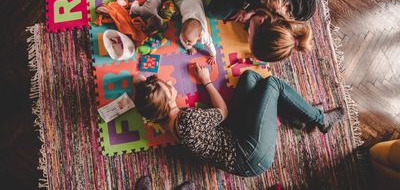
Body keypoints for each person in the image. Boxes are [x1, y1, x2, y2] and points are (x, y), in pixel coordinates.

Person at [132, 64, 344, 177]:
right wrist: (206, 81)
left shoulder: (164, 119)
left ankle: (294, 117)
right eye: (167, 85)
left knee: (251, 78)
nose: (169, 82)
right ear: (169, 99)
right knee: (273, 83)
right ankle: (321, 119)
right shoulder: (187, 120)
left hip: (234, 135)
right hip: (251, 155)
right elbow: (222, 111)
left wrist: (144, 85)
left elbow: (138, 79)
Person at [171, 0, 217, 65]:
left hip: (194, 4)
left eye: (188, 41)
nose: (186, 42)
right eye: (186, 40)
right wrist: (189, 47)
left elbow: (211, 45)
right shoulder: (184, 35)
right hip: (188, 5)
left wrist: (213, 55)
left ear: (199, 35)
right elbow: (182, 38)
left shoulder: (205, 36)